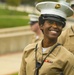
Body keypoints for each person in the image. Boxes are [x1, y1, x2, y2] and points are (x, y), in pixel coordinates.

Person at [19, 1, 74, 75]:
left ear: (62, 28)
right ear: (41, 25)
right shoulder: (28, 50)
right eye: (50, 22)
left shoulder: (68, 58)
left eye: (59, 23)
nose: (55, 26)